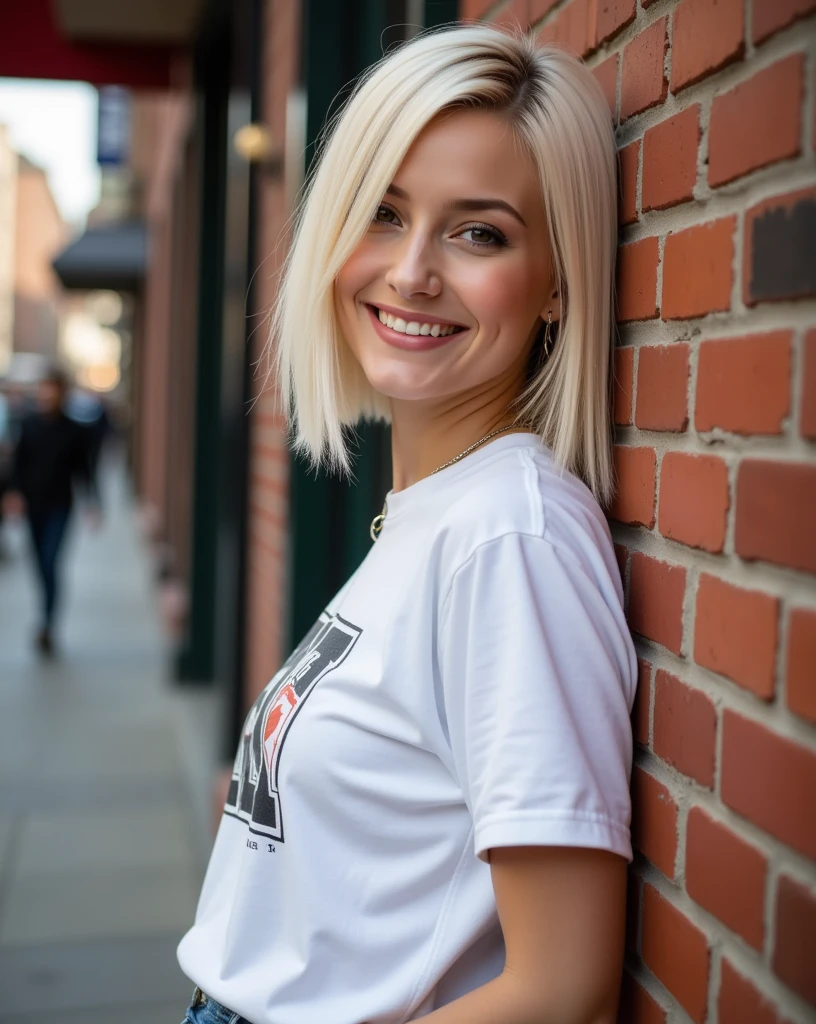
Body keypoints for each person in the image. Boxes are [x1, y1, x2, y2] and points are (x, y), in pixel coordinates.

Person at [178, 24, 637, 1024]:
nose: (412, 272)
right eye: (383, 215)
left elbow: (562, 990)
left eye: (480, 232)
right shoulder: (436, 516)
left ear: (558, 279)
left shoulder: (510, 538)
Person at [2, 368, 100, 654]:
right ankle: (45, 616)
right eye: (44, 389)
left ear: (61, 393)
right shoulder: (29, 425)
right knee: (38, 565)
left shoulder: (74, 430)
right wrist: (13, 493)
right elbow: (18, 465)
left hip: (60, 505)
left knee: (49, 562)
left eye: (52, 389)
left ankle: (47, 624)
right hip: (33, 505)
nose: (47, 395)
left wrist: (94, 503)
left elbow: (85, 470)